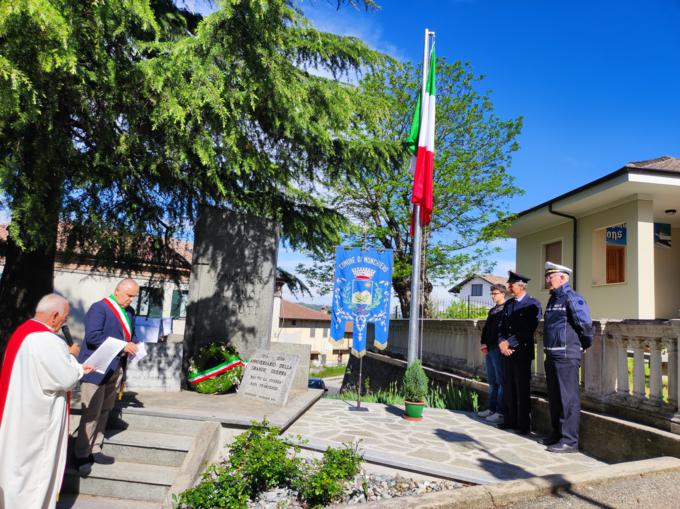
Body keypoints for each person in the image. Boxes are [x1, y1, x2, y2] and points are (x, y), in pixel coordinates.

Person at [0, 294, 93, 509]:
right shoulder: (47, 340)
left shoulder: (23, 332)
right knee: (33, 471)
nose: (64, 322)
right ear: (54, 316)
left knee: (15, 467)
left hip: (20, 412)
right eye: (64, 317)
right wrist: (74, 362)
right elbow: (65, 378)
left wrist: (68, 359)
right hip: (38, 420)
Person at [74, 278, 139, 476]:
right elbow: (93, 337)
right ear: (117, 291)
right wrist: (122, 345)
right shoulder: (99, 308)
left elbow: (131, 335)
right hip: (95, 367)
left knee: (105, 410)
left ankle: (95, 448)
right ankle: (81, 454)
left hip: (116, 366)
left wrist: (135, 344)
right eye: (129, 296)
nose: (131, 300)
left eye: (134, 297)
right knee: (91, 412)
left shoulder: (130, 312)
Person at [542, 261, 593, 453]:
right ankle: (557, 434)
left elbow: (585, 325)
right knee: (555, 398)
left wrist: (583, 344)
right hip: (552, 354)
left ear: (562, 278)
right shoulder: (553, 299)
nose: (547, 280)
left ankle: (569, 441)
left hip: (566, 355)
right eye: (547, 276)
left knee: (568, 399)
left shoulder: (572, 297)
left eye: (551, 276)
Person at [497, 271, 542, 435]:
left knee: (522, 389)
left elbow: (528, 329)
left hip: (521, 352)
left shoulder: (533, 304)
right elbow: (501, 327)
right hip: (506, 352)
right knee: (508, 387)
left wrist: (509, 343)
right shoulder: (508, 304)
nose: (509, 287)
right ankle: (510, 420)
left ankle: (523, 425)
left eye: (511, 284)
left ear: (521, 286)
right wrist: (502, 343)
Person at [478, 283, 507, 424]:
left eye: (495, 293)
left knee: (500, 381)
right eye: (492, 294)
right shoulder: (493, 310)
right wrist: (483, 343)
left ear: (503, 294)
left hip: (498, 348)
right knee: (492, 381)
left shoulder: (506, 309)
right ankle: (491, 409)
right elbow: (486, 329)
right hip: (489, 348)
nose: (493, 296)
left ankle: (499, 412)